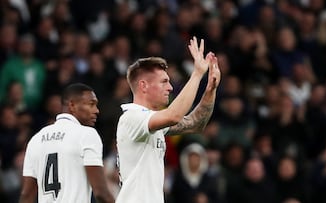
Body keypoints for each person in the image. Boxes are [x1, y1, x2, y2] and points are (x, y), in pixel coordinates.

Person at [115, 36, 221, 203]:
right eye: (164, 82)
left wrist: (210, 90)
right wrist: (197, 74)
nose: (170, 88)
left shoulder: (153, 122)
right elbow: (174, 115)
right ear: (143, 85)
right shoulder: (132, 117)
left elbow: (195, 124)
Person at [19, 83, 114, 203]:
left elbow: (26, 195)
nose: (97, 110)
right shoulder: (87, 134)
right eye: (91, 104)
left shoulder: (36, 139)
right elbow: (101, 192)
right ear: (72, 105)